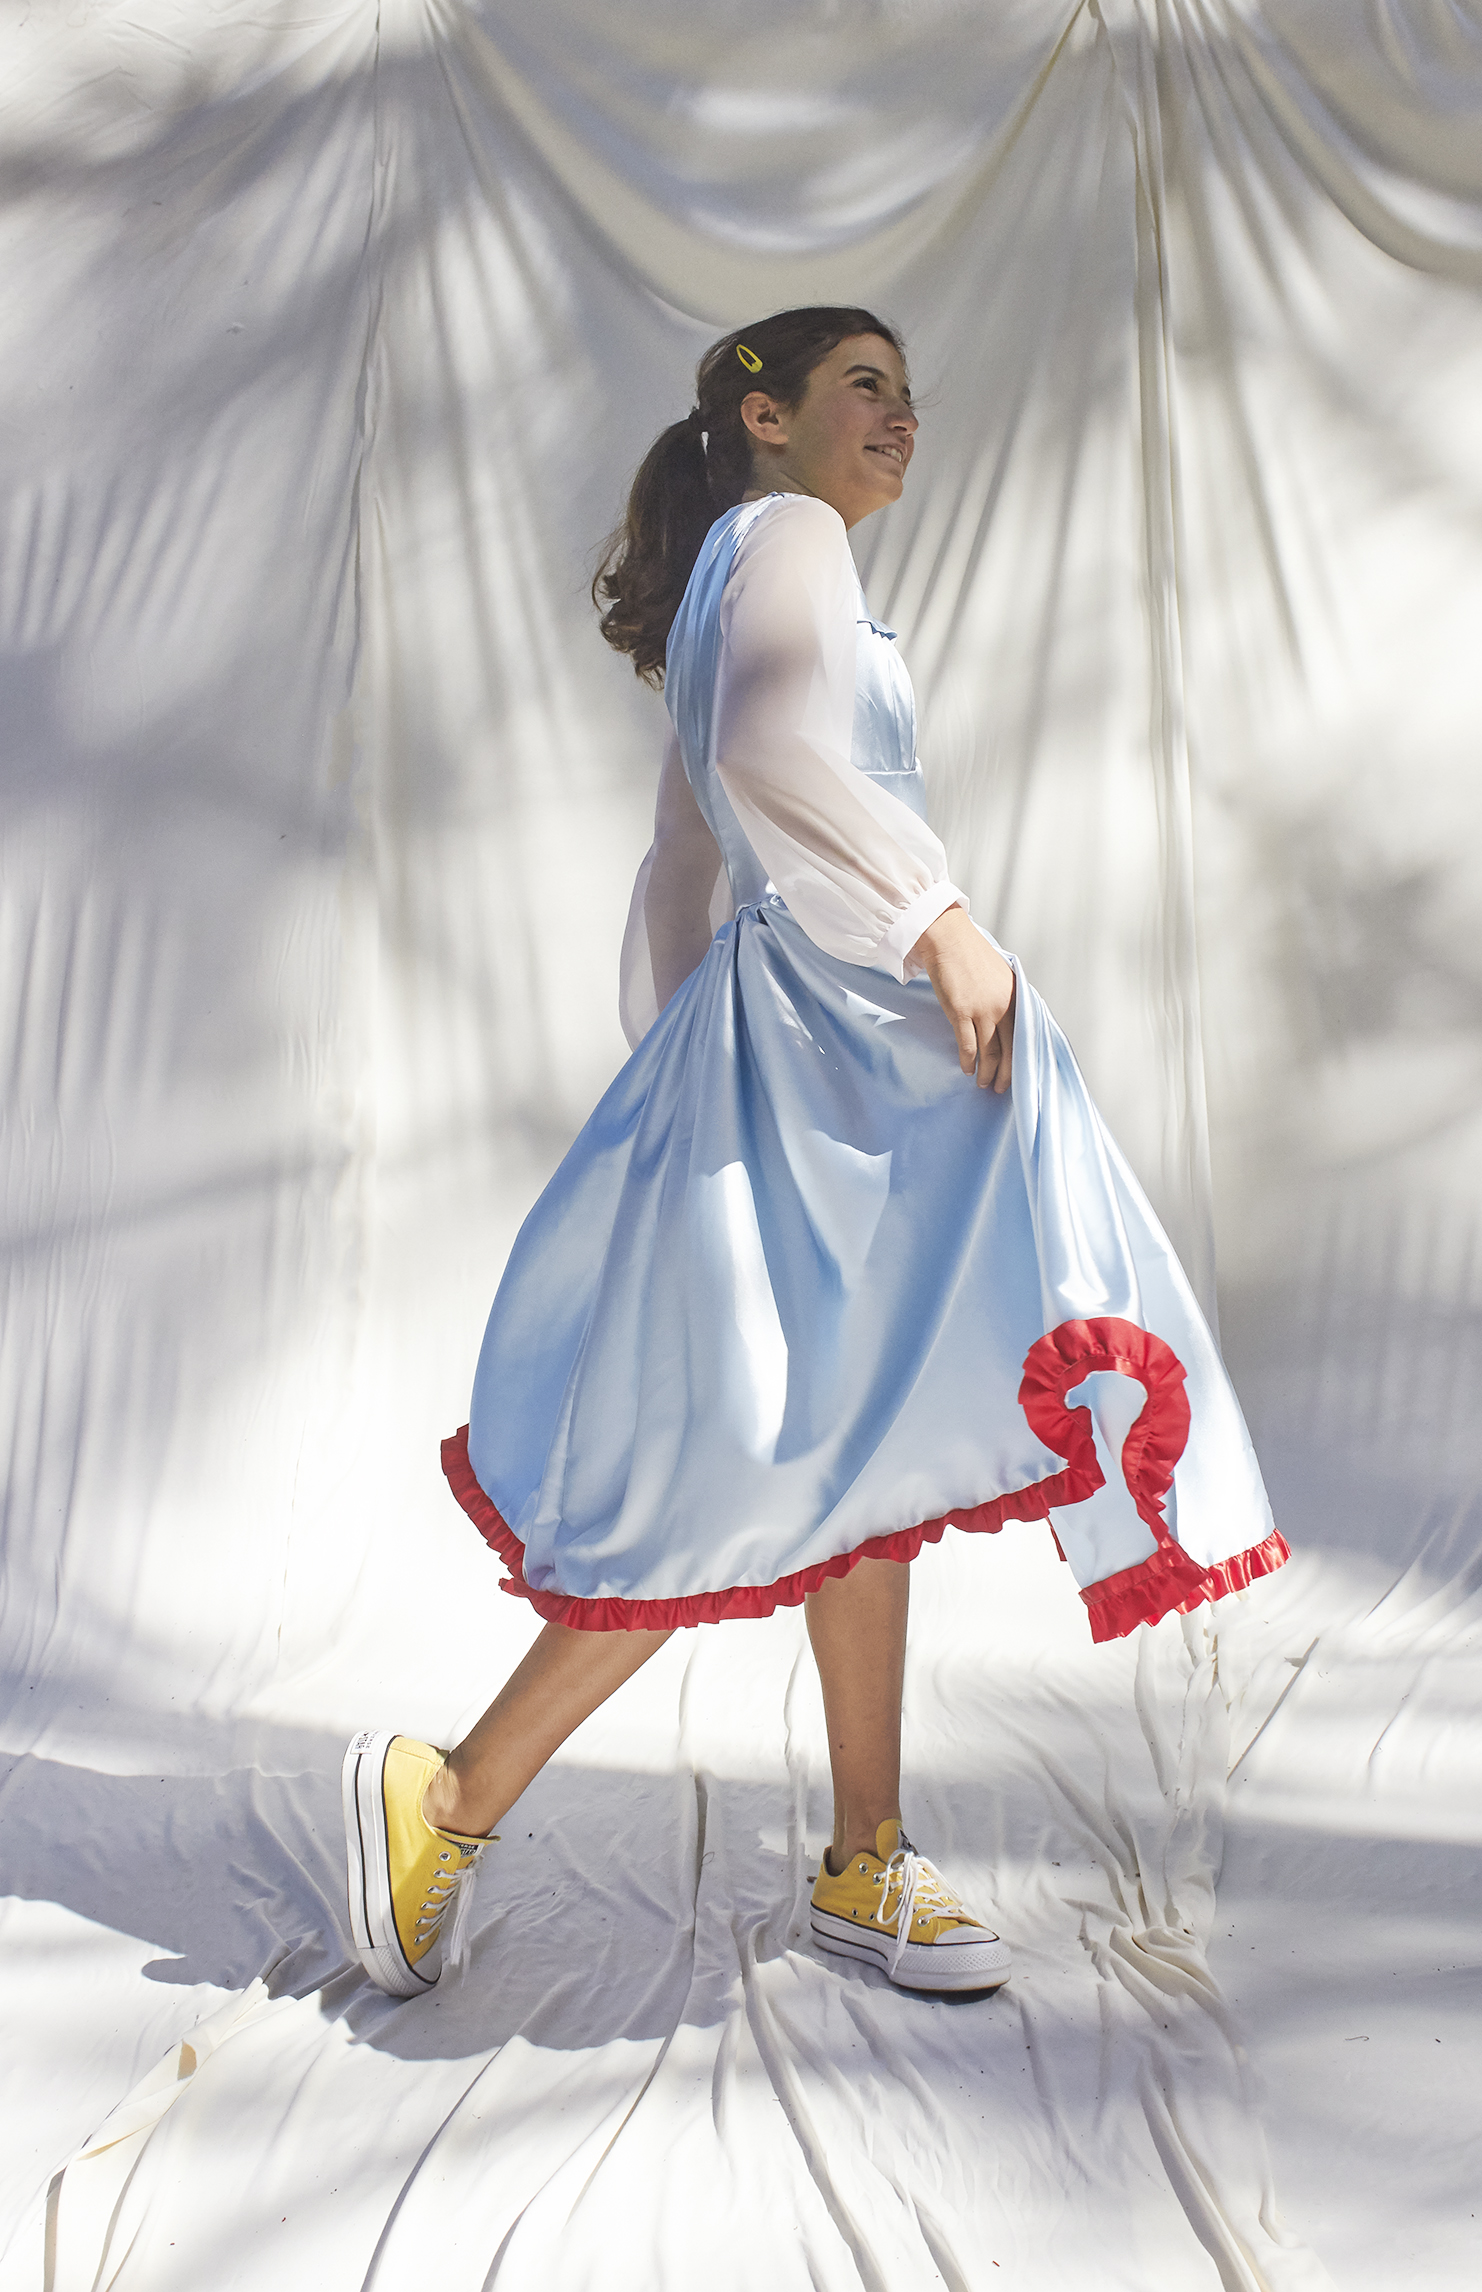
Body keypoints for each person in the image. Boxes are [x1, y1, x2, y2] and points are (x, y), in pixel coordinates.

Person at [342, 307, 1287, 2004]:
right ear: (762, 418)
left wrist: (682, 1048)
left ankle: (862, 1855)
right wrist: (937, 924)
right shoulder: (782, 539)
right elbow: (762, 763)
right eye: (865, 385)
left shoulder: (747, 567)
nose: (900, 414)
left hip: (807, 1060)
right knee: (752, 1462)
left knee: (857, 1457)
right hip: (830, 1051)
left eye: (909, 391)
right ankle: (454, 1796)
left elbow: (678, 852)